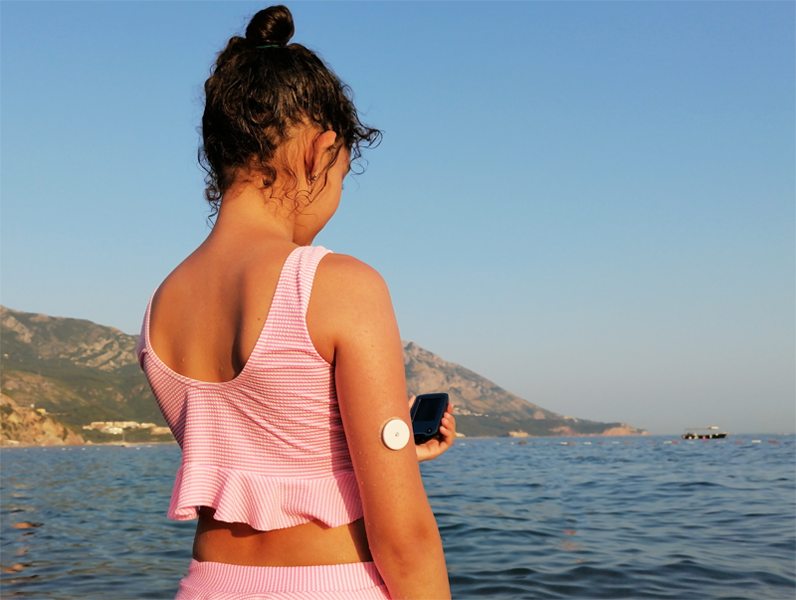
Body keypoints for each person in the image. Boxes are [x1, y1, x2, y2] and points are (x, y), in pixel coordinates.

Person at [137, 5, 455, 599]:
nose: (334, 199)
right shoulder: (338, 283)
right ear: (320, 149)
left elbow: (265, 452)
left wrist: (390, 449)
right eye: (340, 177)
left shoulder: (162, 307)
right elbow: (403, 539)